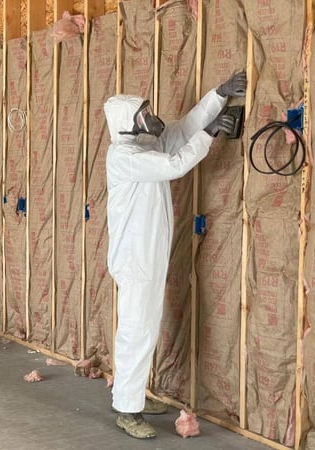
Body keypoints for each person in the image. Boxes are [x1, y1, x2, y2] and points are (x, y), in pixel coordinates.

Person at [103, 71, 247, 439]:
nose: (152, 116)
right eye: (144, 113)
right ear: (127, 123)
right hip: (136, 262)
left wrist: (219, 95)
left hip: (147, 258)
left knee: (145, 329)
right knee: (137, 331)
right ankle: (127, 409)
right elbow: (176, 164)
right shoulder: (123, 156)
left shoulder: (145, 146)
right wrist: (212, 133)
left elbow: (182, 130)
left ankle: (133, 394)